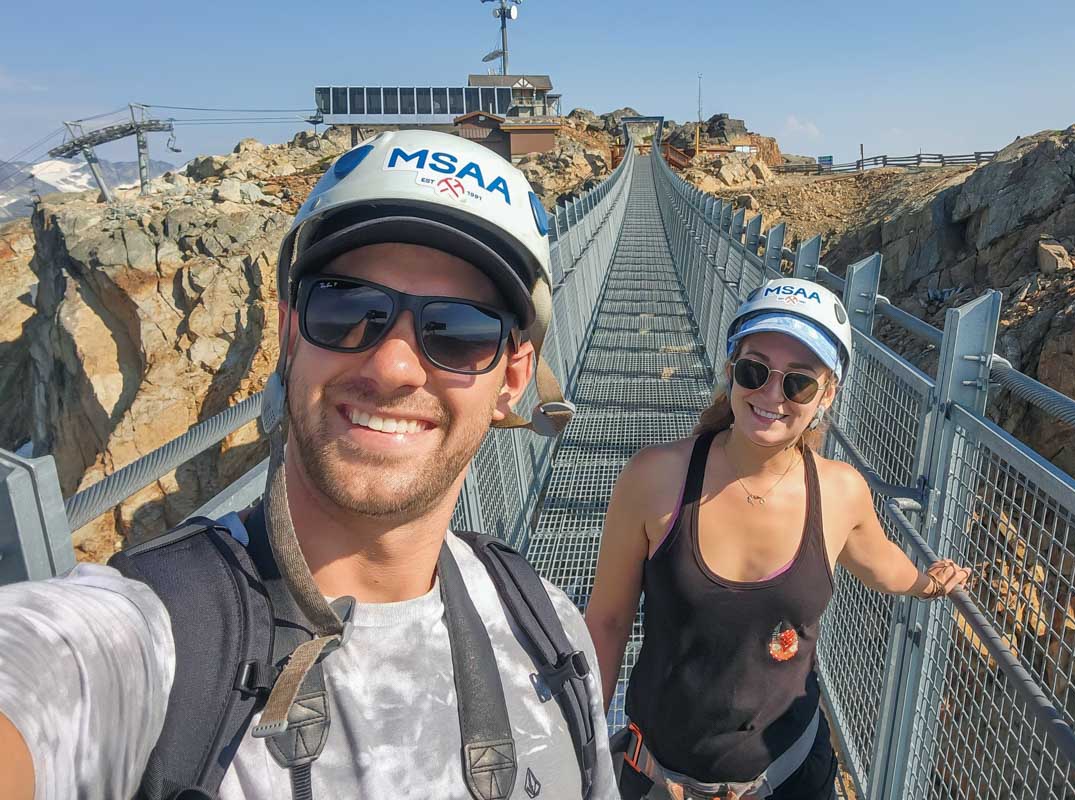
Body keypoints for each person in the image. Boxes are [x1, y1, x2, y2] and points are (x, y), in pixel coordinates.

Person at [0, 130, 618, 800]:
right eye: (348, 308)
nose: (393, 366)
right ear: (292, 332)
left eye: (459, 331)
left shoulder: (548, 625)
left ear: (512, 379)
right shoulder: (159, 637)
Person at [585, 278, 971, 800]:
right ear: (730, 370)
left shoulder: (839, 493)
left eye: (798, 383)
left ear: (827, 394)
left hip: (789, 778)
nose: (771, 395)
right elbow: (606, 622)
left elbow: (882, 566)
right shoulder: (655, 478)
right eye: (755, 370)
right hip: (661, 779)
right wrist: (580, 741)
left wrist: (927, 583)